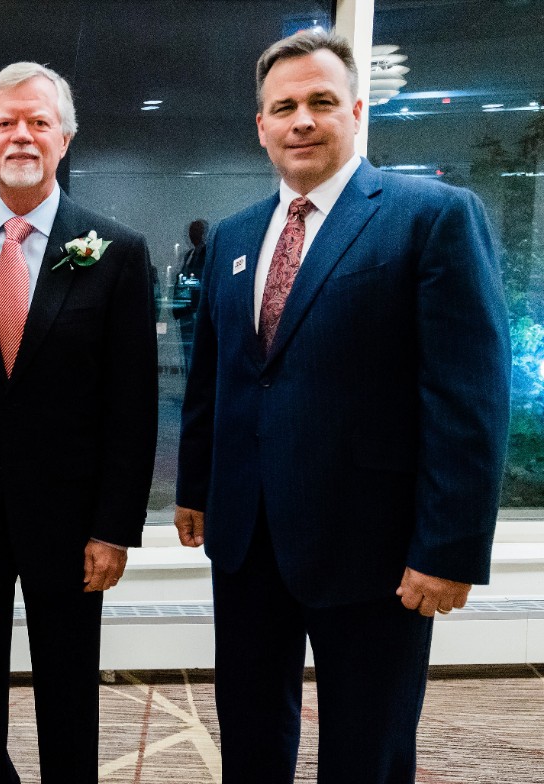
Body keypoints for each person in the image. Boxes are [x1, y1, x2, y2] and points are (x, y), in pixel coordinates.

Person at [175, 29, 509, 783]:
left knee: (368, 742)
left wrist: (447, 547)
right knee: (251, 729)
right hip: (248, 536)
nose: (302, 119)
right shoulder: (234, 234)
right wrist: (197, 488)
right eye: (283, 106)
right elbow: (220, 376)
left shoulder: (432, 217)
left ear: (356, 111)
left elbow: (469, 395)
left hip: (377, 549)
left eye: (321, 102)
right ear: (260, 126)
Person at [0, 62, 158, 784]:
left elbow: (133, 401)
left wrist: (115, 525)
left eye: (38, 122)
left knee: (69, 682)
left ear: (65, 137)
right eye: (5, 123)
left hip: (73, 516)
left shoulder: (116, 250)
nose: (21, 134)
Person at [171, 218, 208, 370]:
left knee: (197, 354)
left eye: (195, 231)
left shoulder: (207, 253)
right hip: (186, 311)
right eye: (191, 231)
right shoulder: (188, 255)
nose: (191, 235)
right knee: (188, 354)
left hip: (195, 312)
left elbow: (201, 280)